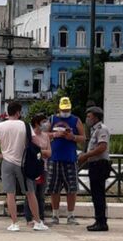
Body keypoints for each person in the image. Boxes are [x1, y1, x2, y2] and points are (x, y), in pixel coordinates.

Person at [0, 102, 49, 232]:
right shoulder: (25, 126)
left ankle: (14, 223)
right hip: (23, 163)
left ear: (8, 112)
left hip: (7, 162)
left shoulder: (0, 126)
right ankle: (37, 221)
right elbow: (37, 142)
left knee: (10, 193)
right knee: (30, 192)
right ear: (18, 112)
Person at [47, 97, 85, 225]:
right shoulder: (52, 119)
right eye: (63, 109)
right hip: (55, 158)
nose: (65, 111)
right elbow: (43, 134)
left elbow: (83, 137)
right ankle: (55, 215)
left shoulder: (76, 120)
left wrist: (72, 137)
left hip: (70, 158)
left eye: (67, 109)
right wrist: (54, 135)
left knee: (71, 189)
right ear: (59, 109)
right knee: (54, 188)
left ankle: (71, 215)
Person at [78, 106, 110, 232]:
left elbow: (102, 147)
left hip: (100, 165)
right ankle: (99, 220)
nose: (87, 119)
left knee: (98, 195)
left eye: (89, 116)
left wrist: (86, 155)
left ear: (96, 117)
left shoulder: (102, 129)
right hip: (94, 164)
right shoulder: (94, 130)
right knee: (96, 194)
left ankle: (101, 222)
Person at [24, 113, 52, 226]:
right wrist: (41, 152)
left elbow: (49, 153)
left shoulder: (45, 136)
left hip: (43, 168)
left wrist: (40, 152)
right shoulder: (30, 136)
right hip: (31, 168)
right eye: (43, 121)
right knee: (31, 193)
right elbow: (31, 152)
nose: (46, 124)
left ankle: (41, 217)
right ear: (36, 123)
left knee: (41, 194)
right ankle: (29, 218)